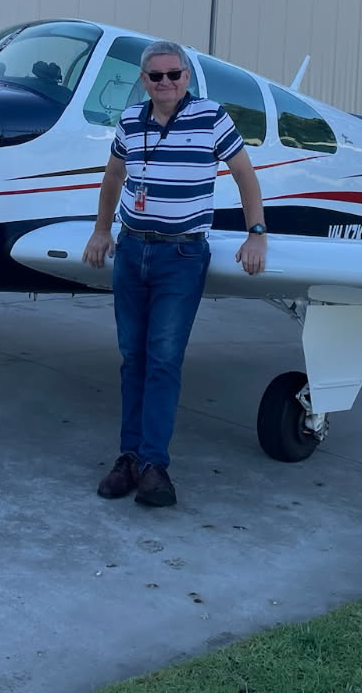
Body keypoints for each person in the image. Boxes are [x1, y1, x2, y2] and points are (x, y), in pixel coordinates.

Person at [82, 41, 267, 507]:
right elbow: (113, 177)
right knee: (133, 358)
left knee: (163, 359)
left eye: (173, 74)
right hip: (131, 250)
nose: (165, 82)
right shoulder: (130, 121)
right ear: (143, 81)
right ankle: (128, 457)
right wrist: (101, 231)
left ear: (186, 77)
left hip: (182, 255)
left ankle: (153, 465)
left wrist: (256, 234)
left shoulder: (211, 117)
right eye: (155, 75)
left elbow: (244, 175)